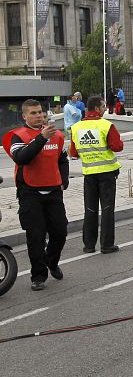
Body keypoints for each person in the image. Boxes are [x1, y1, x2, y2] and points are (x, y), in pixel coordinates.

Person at [3, 99, 69, 290]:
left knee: (60, 232)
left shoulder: (56, 135)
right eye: (33, 113)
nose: (39, 116)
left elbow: (62, 159)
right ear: (24, 116)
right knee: (36, 236)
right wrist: (41, 138)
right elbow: (22, 158)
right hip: (30, 193)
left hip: (53, 191)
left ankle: (51, 261)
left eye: (40, 112)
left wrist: (64, 180)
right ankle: (38, 276)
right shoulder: (18, 136)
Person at [69, 95, 124, 253]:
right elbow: (117, 146)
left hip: (89, 173)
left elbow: (74, 153)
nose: (105, 109)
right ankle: (106, 245)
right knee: (107, 209)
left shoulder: (76, 127)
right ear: (97, 108)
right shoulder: (106, 125)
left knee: (90, 209)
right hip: (107, 173)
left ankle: (89, 245)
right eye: (103, 106)